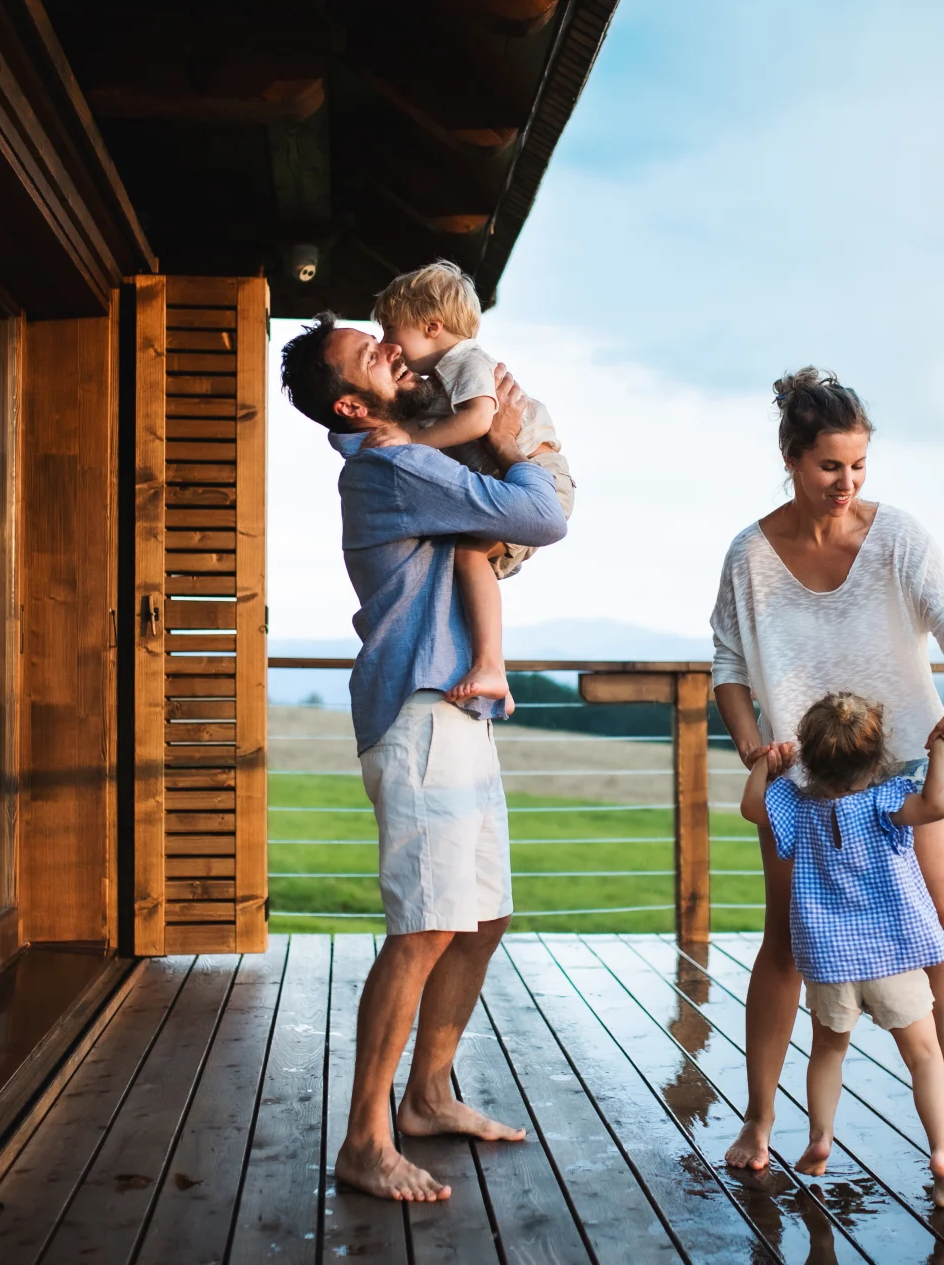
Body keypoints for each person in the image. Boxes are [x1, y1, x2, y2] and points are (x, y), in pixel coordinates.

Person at [279, 313, 567, 1202]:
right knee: (425, 928)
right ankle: (366, 1138)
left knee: (480, 918)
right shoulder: (393, 463)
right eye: (374, 353)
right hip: (421, 713)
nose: (395, 349)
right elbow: (541, 514)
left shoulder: (405, 452)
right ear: (353, 403)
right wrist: (515, 441)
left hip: (457, 710)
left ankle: (429, 1096)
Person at [711, 366, 944, 1169]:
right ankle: (758, 1121)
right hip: (802, 788)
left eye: (858, 466)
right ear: (791, 457)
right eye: (829, 466)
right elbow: (727, 666)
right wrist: (755, 746)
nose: (845, 482)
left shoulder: (898, 537)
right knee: (783, 943)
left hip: (908, 778)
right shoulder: (750, 556)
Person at [739, 692, 944, 1206]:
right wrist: (942, 753)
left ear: (809, 759)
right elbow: (938, 804)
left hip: (829, 964)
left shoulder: (795, 806)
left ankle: (821, 1137)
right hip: (892, 958)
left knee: (827, 1051)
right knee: (926, 1057)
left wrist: (764, 765)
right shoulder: (887, 801)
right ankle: (943, 1156)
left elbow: (752, 807)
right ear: (876, 756)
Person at [366, 260, 576, 714]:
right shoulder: (439, 377)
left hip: (538, 474)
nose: (387, 345)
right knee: (462, 564)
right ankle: (493, 669)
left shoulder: (467, 362)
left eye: (390, 331)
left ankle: (490, 667)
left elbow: (480, 420)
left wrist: (411, 442)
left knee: (465, 556)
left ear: (432, 326)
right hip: (513, 477)